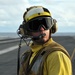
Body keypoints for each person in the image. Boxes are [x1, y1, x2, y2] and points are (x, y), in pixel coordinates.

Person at [18, 6, 72, 75]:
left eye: (46, 23)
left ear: (52, 27)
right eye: (35, 25)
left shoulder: (56, 56)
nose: (42, 29)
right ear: (27, 31)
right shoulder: (26, 56)